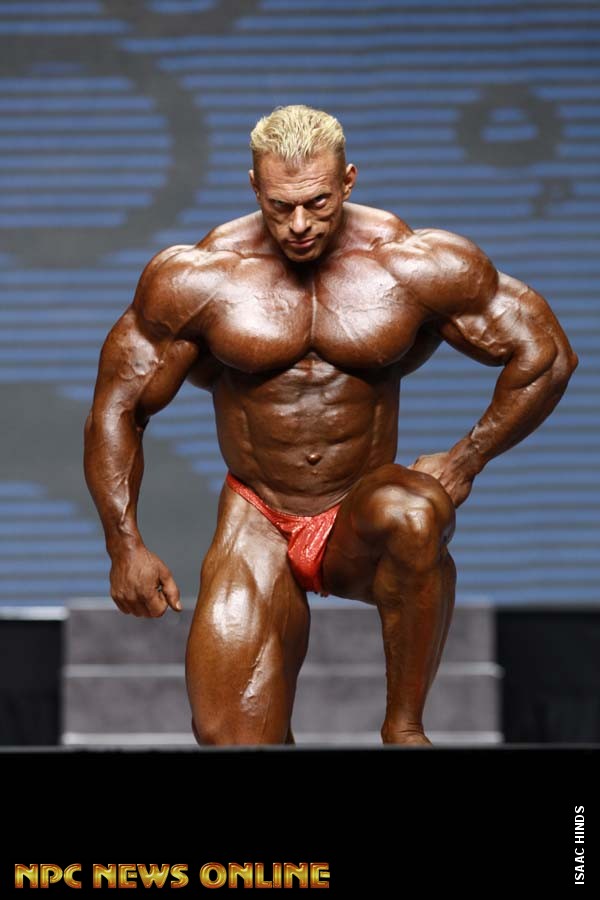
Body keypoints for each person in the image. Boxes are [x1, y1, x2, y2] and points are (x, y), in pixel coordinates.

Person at [84, 105, 578, 746]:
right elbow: (119, 406)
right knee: (230, 736)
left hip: (359, 514)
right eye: (280, 205)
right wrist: (124, 545)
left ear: (348, 181)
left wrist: (465, 459)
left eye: (316, 202)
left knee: (414, 510)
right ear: (254, 187)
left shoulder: (410, 263)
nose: (298, 225)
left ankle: (403, 728)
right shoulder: (199, 278)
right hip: (258, 514)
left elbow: (546, 355)